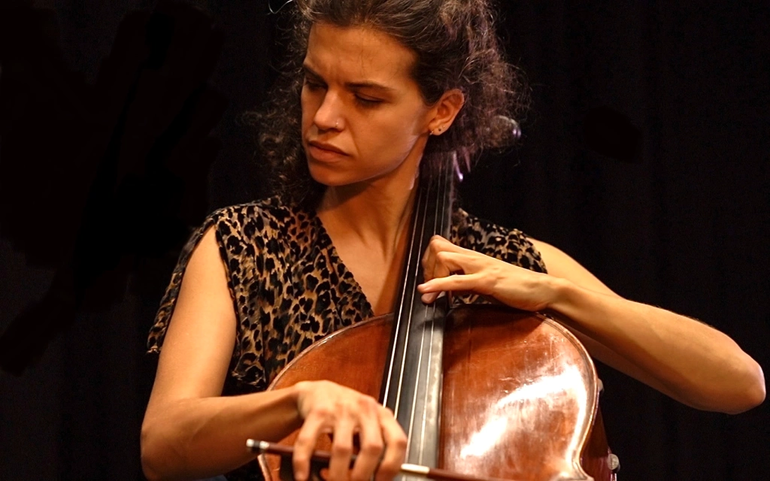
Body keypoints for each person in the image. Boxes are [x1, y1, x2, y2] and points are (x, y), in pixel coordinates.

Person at [140, 1, 766, 480]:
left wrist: (558, 295)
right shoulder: (244, 246)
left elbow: (737, 382)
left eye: (366, 98)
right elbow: (162, 443)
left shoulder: (506, 267)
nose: (325, 116)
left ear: (440, 112)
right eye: (313, 84)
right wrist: (297, 403)